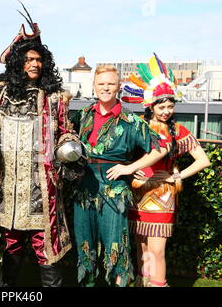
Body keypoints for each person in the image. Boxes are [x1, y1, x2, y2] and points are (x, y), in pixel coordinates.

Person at [0, 9, 77, 287]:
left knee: (45, 248)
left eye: (38, 59)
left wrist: (68, 148)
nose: (35, 64)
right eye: (28, 59)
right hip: (7, 188)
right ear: (17, 63)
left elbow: (65, 131)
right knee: (11, 247)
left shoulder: (56, 99)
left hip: (41, 189)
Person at [69, 65, 168, 287]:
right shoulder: (82, 116)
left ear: (118, 87)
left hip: (114, 193)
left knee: (117, 247)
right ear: (94, 86)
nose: (105, 88)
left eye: (110, 84)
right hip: (83, 190)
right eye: (101, 83)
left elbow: (161, 148)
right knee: (85, 248)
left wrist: (130, 167)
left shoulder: (131, 120)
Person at [123, 54, 211, 287]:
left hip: (163, 196)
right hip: (137, 194)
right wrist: (134, 172)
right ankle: (145, 283)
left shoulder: (179, 131)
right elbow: (125, 157)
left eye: (170, 106)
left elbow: (203, 160)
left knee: (157, 250)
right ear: (150, 107)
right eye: (161, 106)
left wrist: (177, 175)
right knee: (141, 248)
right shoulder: (137, 127)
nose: (166, 111)